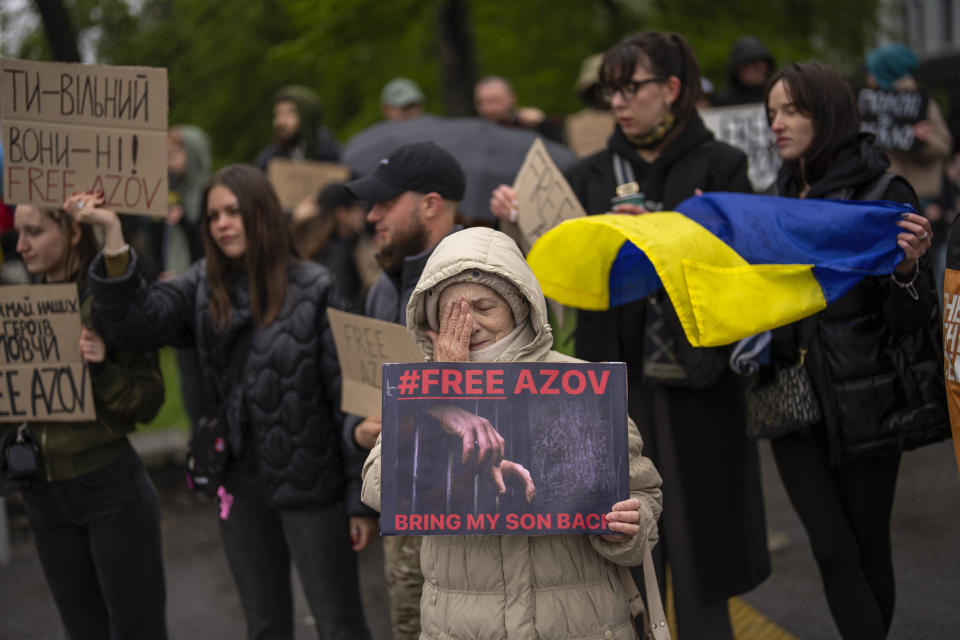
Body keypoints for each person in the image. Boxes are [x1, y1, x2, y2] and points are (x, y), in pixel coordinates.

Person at [492, 30, 770, 640]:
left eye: (631, 87)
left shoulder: (722, 166)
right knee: (625, 549)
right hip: (614, 383)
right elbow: (551, 275)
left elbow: (748, 270)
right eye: (610, 91)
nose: (618, 101)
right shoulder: (588, 174)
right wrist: (518, 223)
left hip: (702, 383)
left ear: (671, 89)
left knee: (702, 554)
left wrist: (684, 232)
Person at [80, 164, 375, 640]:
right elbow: (133, 323)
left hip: (312, 488)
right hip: (239, 489)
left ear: (261, 214)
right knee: (264, 627)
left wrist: (358, 501)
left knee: (339, 627)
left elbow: (348, 398)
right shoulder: (201, 285)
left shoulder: (317, 288)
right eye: (213, 214)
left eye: (234, 211)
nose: (221, 223)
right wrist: (113, 236)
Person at [361, 226, 663, 640]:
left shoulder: (579, 381)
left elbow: (643, 499)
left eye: (484, 306)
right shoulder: (419, 391)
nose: (470, 324)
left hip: (579, 623)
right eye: (454, 312)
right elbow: (379, 490)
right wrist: (440, 393)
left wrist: (626, 527)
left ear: (518, 306)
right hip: (463, 626)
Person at [764, 62, 940, 640]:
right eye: (771, 114)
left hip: (866, 399)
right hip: (791, 401)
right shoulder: (774, 197)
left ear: (828, 113)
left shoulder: (883, 193)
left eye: (792, 111)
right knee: (831, 549)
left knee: (866, 548)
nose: (778, 125)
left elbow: (913, 321)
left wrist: (909, 269)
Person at [2, 203, 167, 639]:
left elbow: (148, 401)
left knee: (137, 629)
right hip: (44, 495)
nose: (21, 246)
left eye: (34, 232)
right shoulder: (17, 307)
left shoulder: (108, 302)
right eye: (19, 233)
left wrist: (99, 367)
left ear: (74, 232)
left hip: (109, 490)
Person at [342, 141, 464, 640]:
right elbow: (368, 394)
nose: (372, 215)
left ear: (431, 205)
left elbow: (512, 403)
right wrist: (360, 435)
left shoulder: (477, 284)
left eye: (385, 202)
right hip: (400, 506)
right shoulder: (382, 286)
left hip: (467, 513)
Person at [292, 182, 370, 312]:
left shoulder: (306, 243)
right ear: (342, 213)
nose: (366, 215)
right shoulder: (339, 254)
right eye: (358, 208)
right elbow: (342, 307)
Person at [255, 85, 341, 172]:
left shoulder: (332, 155)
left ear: (307, 117)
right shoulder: (268, 160)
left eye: (290, 113)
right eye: (278, 114)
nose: (280, 122)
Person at [474, 75, 564, 142]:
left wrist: (543, 124)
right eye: (481, 102)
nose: (487, 108)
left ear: (512, 98)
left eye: (494, 101)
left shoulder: (528, 124)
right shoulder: (474, 130)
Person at [714, 36, 775, 106]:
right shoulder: (722, 101)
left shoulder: (776, 94)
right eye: (754, 63)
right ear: (738, 69)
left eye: (765, 63)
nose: (762, 69)